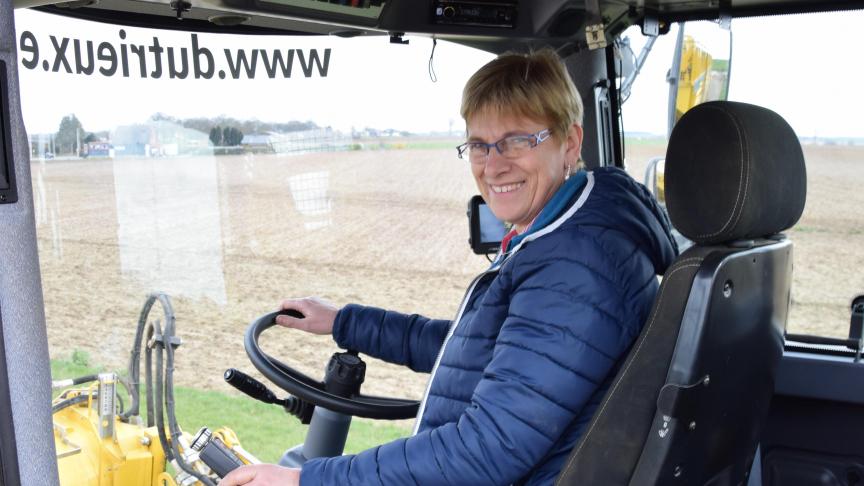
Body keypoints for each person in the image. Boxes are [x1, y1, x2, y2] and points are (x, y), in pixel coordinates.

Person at [220, 48, 677, 486]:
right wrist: (346, 323)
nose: (493, 166)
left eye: (516, 141)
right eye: (480, 146)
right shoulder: (566, 235)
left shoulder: (577, 264)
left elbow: (486, 448)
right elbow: (475, 347)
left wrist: (309, 479)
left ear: (570, 142)